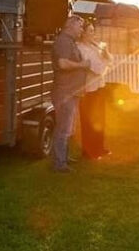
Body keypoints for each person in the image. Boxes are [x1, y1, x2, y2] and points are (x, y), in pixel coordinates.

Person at [52, 15, 90, 173]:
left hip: (72, 92)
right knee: (63, 128)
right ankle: (59, 163)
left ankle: (64, 158)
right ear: (70, 26)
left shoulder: (70, 42)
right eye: (80, 27)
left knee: (68, 128)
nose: (82, 30)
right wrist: (82, 64)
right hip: (65, 92)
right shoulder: (63, 41)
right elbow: (63, 63)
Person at [77, 22, 112, 160]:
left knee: (100, 119)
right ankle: (88, 151)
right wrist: (104, 63)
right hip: (88, 89)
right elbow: (97, 69)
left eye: (93, 31)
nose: (93, 34)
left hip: (99, 86)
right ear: (83, 33)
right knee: (88, 121)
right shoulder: (80, 49)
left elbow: (110, 61)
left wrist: (106, 53)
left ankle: (99, 148)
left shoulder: (95, 46)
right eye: (90, 31)